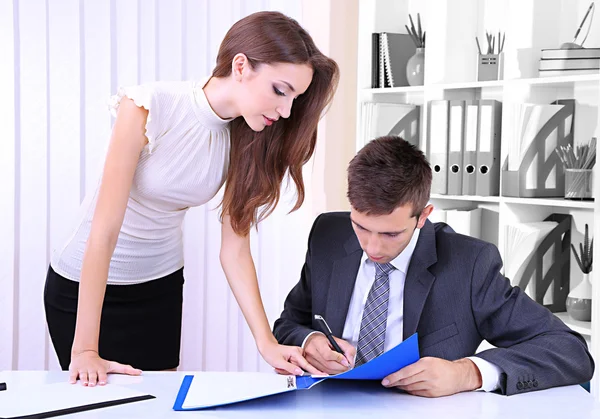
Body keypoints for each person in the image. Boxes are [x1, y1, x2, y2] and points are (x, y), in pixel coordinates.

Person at [44, 11, 339, 387]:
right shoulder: (148, 106)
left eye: (294, 99)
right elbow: (104, 230)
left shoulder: (247, 137)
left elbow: (234, 250)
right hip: (83, 289)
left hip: (159, 286)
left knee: (159, 406)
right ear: (241, 66)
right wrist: (85, 349)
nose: (285, 111)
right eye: (280, 91)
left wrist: (266, 343)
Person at [273, 136, 594, 397]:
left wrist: (466, 373)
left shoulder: (469, 264)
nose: (372, 247)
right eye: (361, 227)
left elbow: (570, 351)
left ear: (423, 216)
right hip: (326, 407)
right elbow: (289, 323)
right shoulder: (328, 236)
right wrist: (308, 342)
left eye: (390, 233)